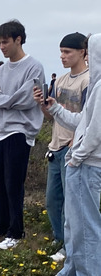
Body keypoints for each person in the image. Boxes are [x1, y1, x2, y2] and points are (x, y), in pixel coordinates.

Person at [0, 19, 45, 250]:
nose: (2, 47)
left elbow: (25, 100)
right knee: (0, 185)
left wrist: (2, 99)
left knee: (14, 184)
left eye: (5, 42)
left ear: (18, 40)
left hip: (20, 131)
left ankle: (16, 232)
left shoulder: (34, 67)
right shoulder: (1, 70)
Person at [39, 34, 101, 276]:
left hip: (88, 162)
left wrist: (78, 154)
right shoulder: (97, 86)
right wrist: (56, 110)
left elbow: (95, 131)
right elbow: (82, 122)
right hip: (81, 160)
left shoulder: (100, 87)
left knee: (86, 222)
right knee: (73, 222)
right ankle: (71, 273)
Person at [39, 32, 90, 262]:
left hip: (75, 149)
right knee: (53, 199)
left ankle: (68, 247)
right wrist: (41, 104)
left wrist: (75, 144)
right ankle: (59, 238)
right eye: (61, 51)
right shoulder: (59, 81)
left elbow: (88, 120)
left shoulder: (88, 81)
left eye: (67, 52)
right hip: (55, 145)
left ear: (83, 52)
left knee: (71, 204)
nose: (63, 56)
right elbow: (51, 116)